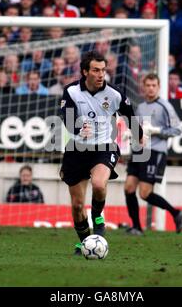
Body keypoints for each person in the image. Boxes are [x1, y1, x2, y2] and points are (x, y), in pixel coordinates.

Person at [60, 51, 143, 255]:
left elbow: (130, 114)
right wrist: (79, 129)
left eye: (103, 70)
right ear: (85, 71)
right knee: (78, 205)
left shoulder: (114, 94)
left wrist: (139, 135)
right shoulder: (71, 92)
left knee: (98, 184)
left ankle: (98, 218)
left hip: (104, 147)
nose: (100, 75)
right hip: (77, 149)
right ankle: (86, 242)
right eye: (96, 70)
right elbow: (66, 117)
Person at [123, 73, 182, 236]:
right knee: (129, 187)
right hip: (138, 150)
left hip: (155, 152)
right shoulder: (141, 107)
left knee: (144, 193)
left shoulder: (165, 106)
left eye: (154, 85)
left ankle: (175, 213)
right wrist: (130, 134)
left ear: (158, 87)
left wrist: (158, 130)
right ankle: (136, 226)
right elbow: (139, 131)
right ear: (143, 87)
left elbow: (178, 129)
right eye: (148, 85)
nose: (150, 88)